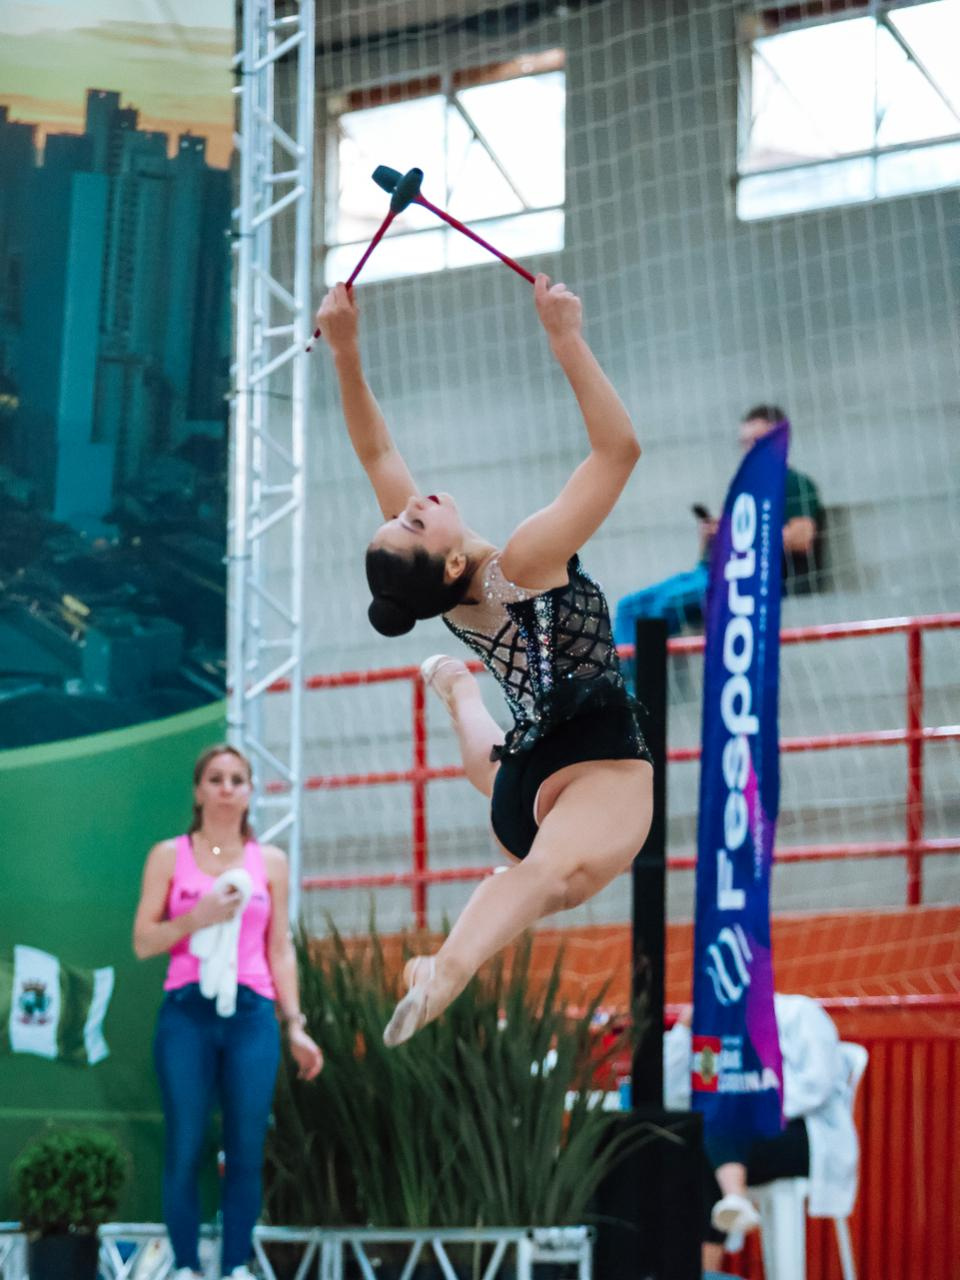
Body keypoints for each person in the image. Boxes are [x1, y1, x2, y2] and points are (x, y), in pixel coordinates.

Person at [315, 275, 654, 1048]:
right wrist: (566, 338)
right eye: (410, 520)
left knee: (535, 867)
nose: (413, 503)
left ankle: (459, 692)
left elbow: (376, 449)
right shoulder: (523, 562)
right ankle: (446, 969)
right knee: (542, 880)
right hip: (597, 761)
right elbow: (619, 452)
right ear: (442, 562)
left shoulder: (443, 589)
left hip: (521, 784)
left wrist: (346, 352)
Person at [132, 744, 323, 1280]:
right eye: (215, 778)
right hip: (187, 1012)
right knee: (186, 1144)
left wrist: (295, 1025)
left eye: (237, 779)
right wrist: (198, 917)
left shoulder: (271, 862)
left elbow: (279, 948)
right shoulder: (169, 855)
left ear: (250, 791)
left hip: (251, 1013)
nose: (226, 788)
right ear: (198, 791)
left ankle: (236, 1264)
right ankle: (186, 1266)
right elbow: (143, 941)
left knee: (245, 1148)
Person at [664, 995, 861, 1271]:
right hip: (731, 1139)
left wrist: (749, 1107)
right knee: (691, 1140)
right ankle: (724, 1222)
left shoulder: (799, 1013)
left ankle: (730, 1206)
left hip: (802, 1135)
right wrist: (683, 1031)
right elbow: (674, 1095)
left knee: (716, 1127)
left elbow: (817, 1086)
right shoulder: (714, 1023)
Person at [614, 404, 823, 645]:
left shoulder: (793, 483)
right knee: (628, 607)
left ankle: (648, 667)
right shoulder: (742, 489)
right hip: (709, 571)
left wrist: (735, 533)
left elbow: (802, 537)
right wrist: (712, 535)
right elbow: (716, 549)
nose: (748, 449)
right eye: (744, 442)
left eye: (756, 441)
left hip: (746, 576)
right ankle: (627, 670)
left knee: (665, 605)